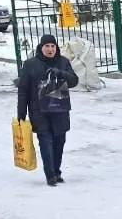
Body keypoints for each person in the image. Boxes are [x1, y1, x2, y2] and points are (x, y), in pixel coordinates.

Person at [17, 34, 79, 186]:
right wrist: (21, 112)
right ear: (41, 47)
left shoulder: (63, 62)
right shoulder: (30, 64)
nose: (50, 49)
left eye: (53, 46)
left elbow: (74, 81)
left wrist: (60, 73)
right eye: (47, 46)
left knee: (59, 141)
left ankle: (56, 171)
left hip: (59, 110)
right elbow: (23, 89)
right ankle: (50, 175)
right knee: (45, 142)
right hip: (39, 111)